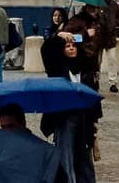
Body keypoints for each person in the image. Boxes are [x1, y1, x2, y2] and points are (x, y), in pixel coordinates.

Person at [40, 23, 100, 181]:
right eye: (67, 46)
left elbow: (93, 95)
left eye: (73, 46)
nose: (71, 48)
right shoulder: (57, 68)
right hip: (64, 116)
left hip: (84, 117)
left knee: (84, 158)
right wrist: (58, 35)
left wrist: (95, 120)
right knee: (65, 156)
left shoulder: (85, 68)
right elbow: (46, 50)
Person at [94, 0, 119, 94]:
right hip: (97, 37)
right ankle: (95, 81)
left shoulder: (114, 4)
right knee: (96, 61)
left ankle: (113, 83)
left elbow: (118, 17)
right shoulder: (94, 3)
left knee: (112, 60)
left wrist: (117, 25)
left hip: (110, 37)